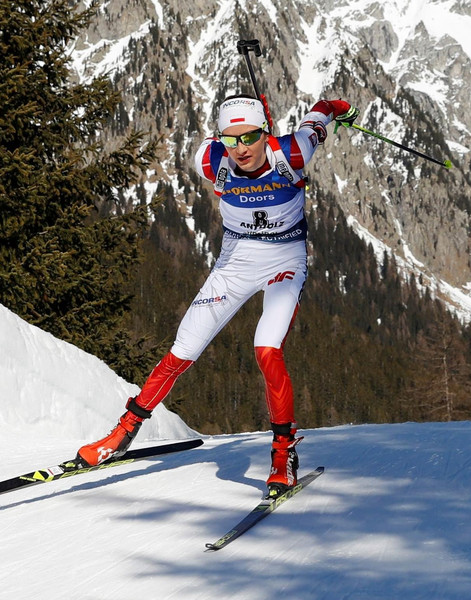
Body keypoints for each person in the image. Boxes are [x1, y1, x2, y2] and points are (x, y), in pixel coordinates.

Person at [76, 92, 358, 497]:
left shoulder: (293, 152)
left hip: (284, 259)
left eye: (249, 137)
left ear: (266, 133)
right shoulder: (210, 159)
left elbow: (316, 122)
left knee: (266, 348)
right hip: (235, 262)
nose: (240, 149)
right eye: (230, 139)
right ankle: (122, 434)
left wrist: (334, 107)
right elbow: (224, 145)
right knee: (182, 350)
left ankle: (283, 452)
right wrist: (246, 132)